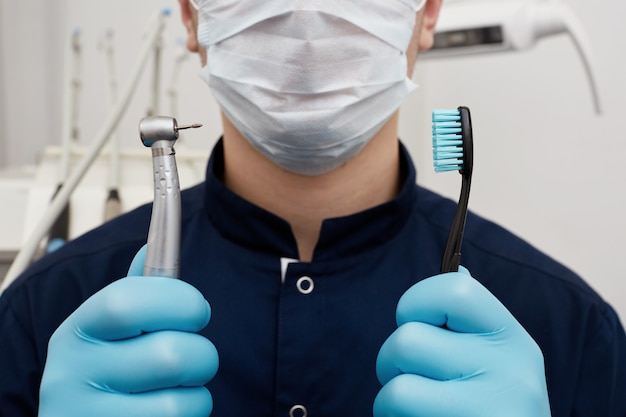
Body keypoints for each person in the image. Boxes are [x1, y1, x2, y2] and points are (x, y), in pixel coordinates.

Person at [1, 0, 625, 416]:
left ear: (426, 12)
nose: (305, 18)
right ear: (194, 17)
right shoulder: (42, 318)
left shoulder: (567, 331)